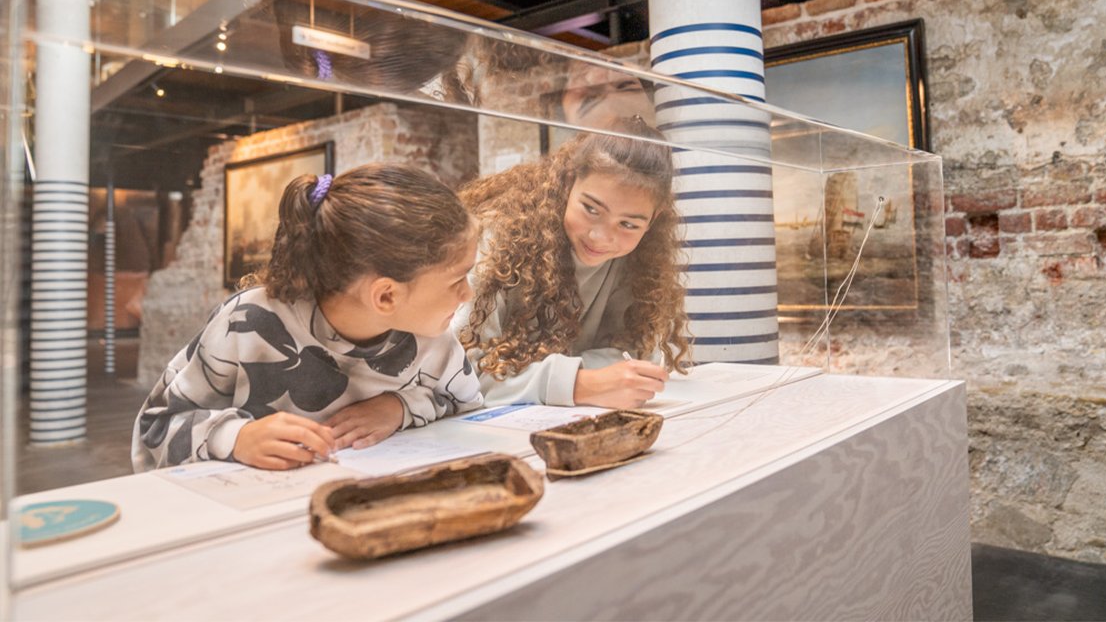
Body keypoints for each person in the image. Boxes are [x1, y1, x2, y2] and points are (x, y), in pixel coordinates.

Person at [132, 163, 483, 472]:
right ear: (386, 296)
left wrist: (400, 408)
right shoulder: (247, 324)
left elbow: (469, 410)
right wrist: (236, 437)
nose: (467, 294)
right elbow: (155, 427)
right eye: (457, 279)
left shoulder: (432, 337)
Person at [454, 119, 690, 409]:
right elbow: (459, 371)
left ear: (653, 219)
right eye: (591, 209)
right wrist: (581, 384)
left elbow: (640, 356)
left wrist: (537, 374)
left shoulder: (639, 262)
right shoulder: (499, 240)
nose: (601, 237)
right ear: (568, 182)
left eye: (629, 224)